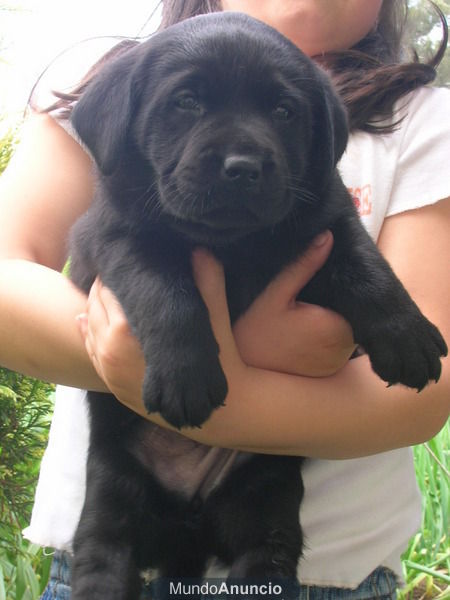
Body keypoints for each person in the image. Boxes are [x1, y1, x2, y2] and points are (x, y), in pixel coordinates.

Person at [0, 0, 449, 598]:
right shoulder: (108, 74)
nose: (240, 156)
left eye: (283, 112)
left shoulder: (423, 122)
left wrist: (384, 311)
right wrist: (148, 352)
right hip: (120, 500)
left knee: (268, 539)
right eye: (188, 102)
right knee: (106, 553)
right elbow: (75, 254)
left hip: (327, 565)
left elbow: (350, 262)